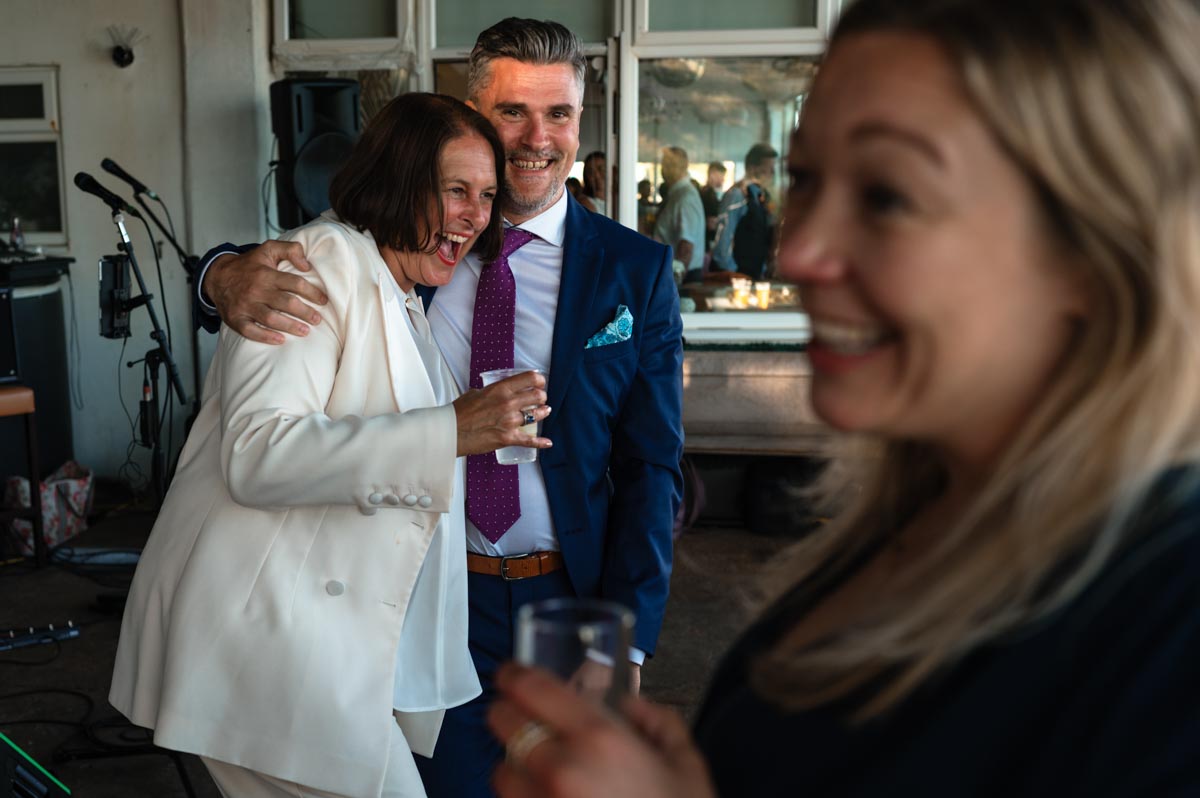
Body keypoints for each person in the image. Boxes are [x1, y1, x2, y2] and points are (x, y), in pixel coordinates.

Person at [486, 0, 1200, 795]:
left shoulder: (1169, 619)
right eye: (807, 180)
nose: (801, 251)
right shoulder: (918, 524)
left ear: (1097, 247)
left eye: (889, 195)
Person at [191, 18, 684, 798]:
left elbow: (651, 466)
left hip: (565, 599)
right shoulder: (419, 239)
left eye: (558, 114)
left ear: (580, 123)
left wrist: (622, 645)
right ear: (472, 111)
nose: (536, 137)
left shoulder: (638, 271)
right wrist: (220, 274)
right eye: (513, 111)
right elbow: (306, 260)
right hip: (425, 588)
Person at [109, 93, 553, 797]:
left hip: (319, 645)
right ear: (400, 180)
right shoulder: (318, 263)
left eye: (488, 196)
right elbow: (259, 454)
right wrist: (450, 431)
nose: (475, 215)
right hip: (261, 643)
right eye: (457, 191)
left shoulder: (403, 291)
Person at [710, 142, 777, 278]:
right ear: (752, 169)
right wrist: (733, 273)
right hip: (736, 279)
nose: (773, 173)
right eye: (768, 168)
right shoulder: (737, 195)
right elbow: (722, 243)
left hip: (754, 277)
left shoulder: (760, 197)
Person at [653, 146, 705, 281]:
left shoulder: (686, 197)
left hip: (682, 276)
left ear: (684, 166)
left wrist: (674, 282)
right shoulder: (677, 194)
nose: (663, 169)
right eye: (664, 163)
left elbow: (686, 247)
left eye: (670, 164)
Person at [698, 161, 726, 252]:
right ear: (713, 174)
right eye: (722, 175)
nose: (723, 179)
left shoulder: (704, 191)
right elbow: (711, 224)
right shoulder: (709, 194)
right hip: (707, 242)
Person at [580, 150, 606, 215]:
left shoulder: (621, 200)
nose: (597, 176)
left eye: (601, 169)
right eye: (591, 172)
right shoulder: (585, 203)